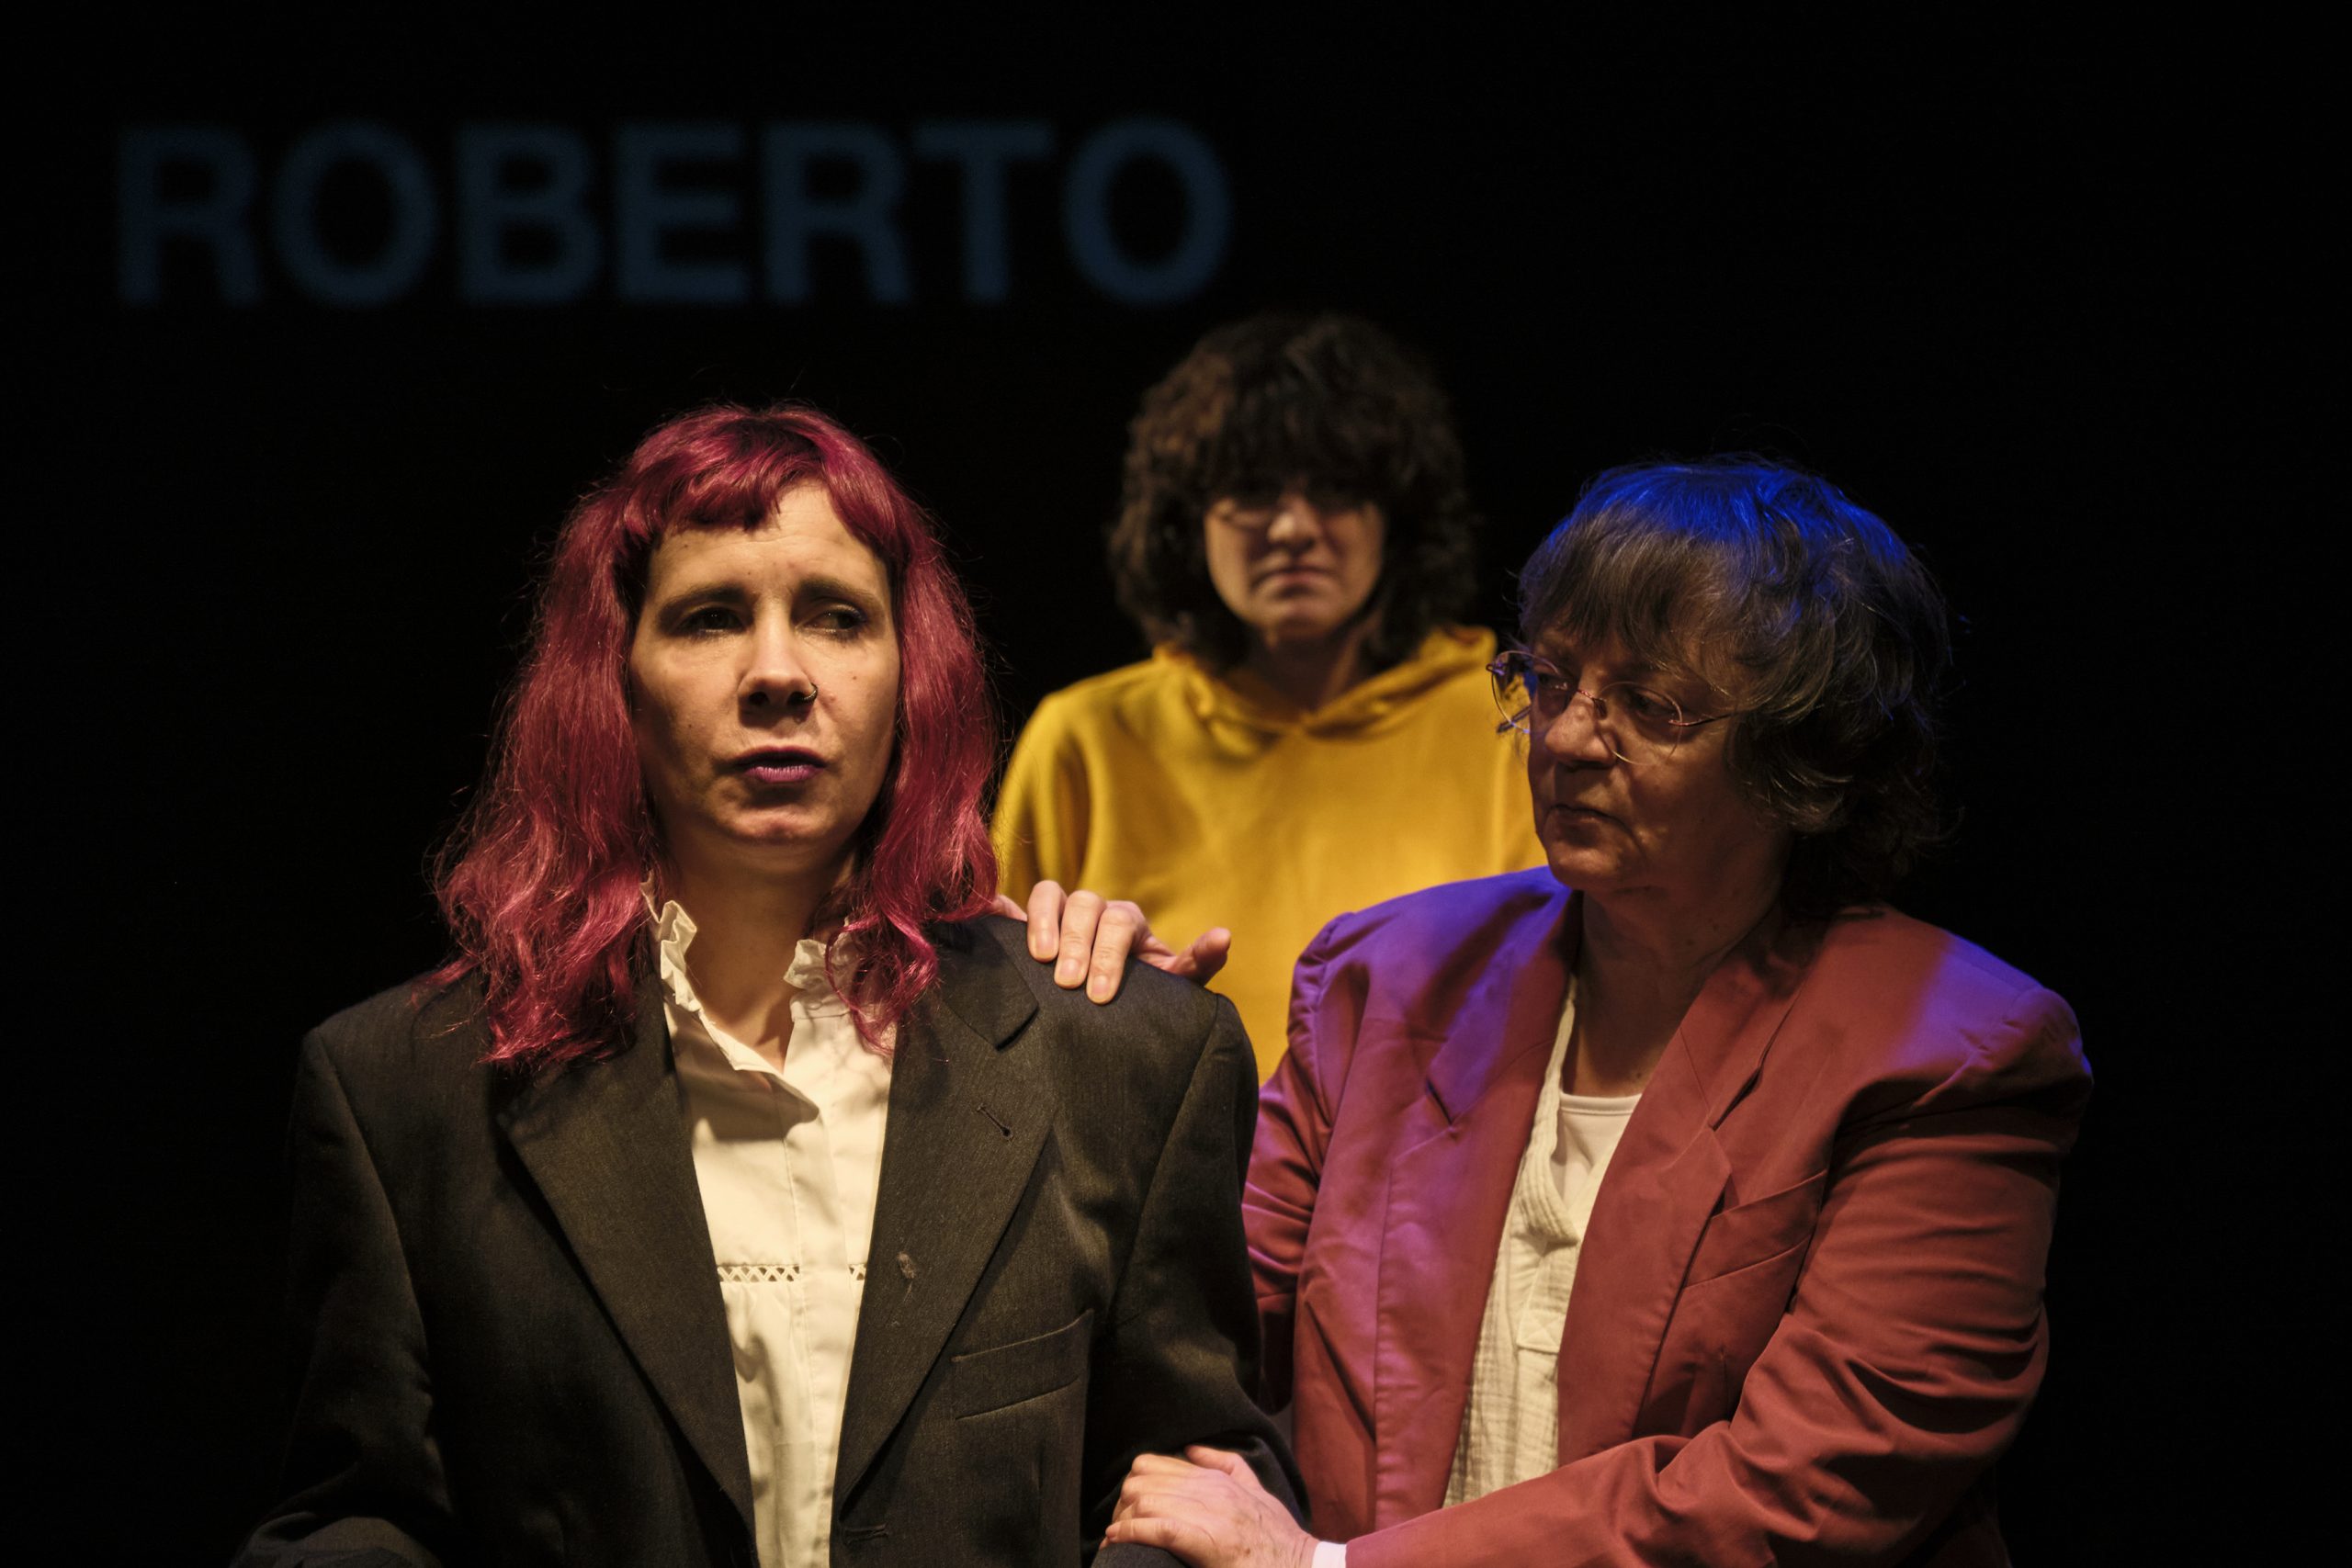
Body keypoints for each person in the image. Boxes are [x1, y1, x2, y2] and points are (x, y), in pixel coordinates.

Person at [237, 404, 1295, 1568]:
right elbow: (360, 1516)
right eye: (710, 618)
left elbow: (1205, 1487)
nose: (779, 673)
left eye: (837, 617)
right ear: (615, 681)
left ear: (912, 676)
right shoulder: (404, 1089)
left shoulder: (1124, 1058)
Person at [1103, 458, 2092, 1566]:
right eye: (1551, 681)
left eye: (1651, 707)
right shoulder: (1386, 976)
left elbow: (1799, 1487)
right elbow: (1186, 1341)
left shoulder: (1951, 1052)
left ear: (1802, 758)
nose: (1567, 739)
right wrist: (1091, 1047)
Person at [993, 312, 1544, 1078]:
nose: (1293, 527)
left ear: (1396, 516)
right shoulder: (1086, 739)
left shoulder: (1507, 719)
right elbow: (1000, 1023)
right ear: (1189, 523)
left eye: (1336, 489)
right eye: (1252, 491)